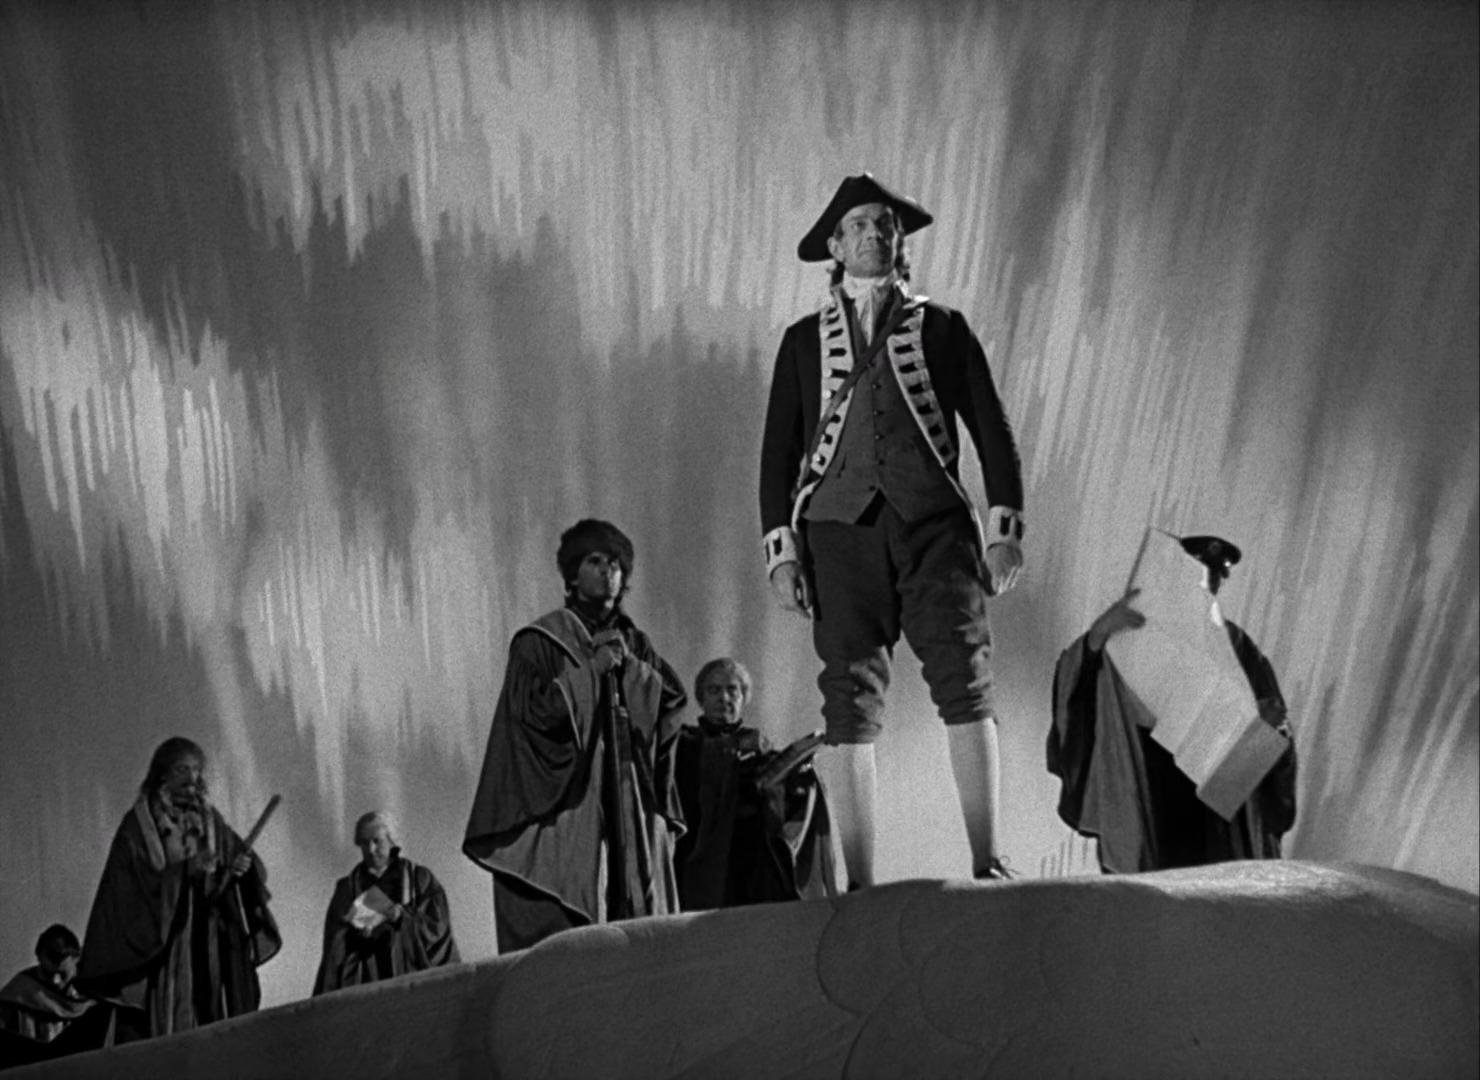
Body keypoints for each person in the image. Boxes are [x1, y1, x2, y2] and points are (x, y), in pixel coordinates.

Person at [758, 173, 1027, 888]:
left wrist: (1004, 528)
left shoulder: (943, 328)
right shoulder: (801, 342)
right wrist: (782, 553)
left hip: (934, 527)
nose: (875, 235)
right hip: (837, 533)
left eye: (885, 224)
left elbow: (991, 430)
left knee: (966, 679)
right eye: (860, 225)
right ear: (836, 247)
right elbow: (778, 454)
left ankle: (988, 856)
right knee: (848, 698)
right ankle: (862, 883)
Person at [464, 519, 688, 952]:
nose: (608, 571)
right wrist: (591, 672)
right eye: (595, 561)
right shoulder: (540, 640)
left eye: (616, 564)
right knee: (563, 932)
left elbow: (670, 705)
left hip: (626, 785)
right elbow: (529, 716)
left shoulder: (637, 642)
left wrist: (633, 673)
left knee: (641, 907)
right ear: (571, 575)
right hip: (570, 793)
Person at [1046, 535, 1298, 872]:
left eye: (1214, 582)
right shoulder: (1131, 634)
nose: (1206, 591)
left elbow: (1273, 728)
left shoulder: (1237, 647)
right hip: (1149, 792)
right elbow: (1080, 700)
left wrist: (1268, 730)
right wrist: (1097, 637)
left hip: (1219, 815)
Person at [75, 737, 280, 1042]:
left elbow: (233, 860)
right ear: (163, 774)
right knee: (172, 1017)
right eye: (183, 769)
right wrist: (184, 871)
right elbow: (129, 887)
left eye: (197, 770)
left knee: (213, 1012)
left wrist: (239, 869)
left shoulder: (211, 820)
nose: (192, 779)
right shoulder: (140, 825)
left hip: (209, 937)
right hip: (167, 942)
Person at [673, 658, 839, 909]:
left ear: (743, 698)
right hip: (697, 853)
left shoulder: (758, 744)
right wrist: (728, 755)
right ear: (701, 698)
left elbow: (780, 797)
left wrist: (799, 774)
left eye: (732, 690)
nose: (724, 698)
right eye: (714, 690)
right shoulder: (684, 743)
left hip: (748, 859)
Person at [312, 811, 461, 995]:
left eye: (377, 841)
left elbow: (438, 929)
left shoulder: (420, 879)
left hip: (412, 982)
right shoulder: (347, 889)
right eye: (364, 843)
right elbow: (333, 948)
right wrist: (355, 934)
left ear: (392, 841)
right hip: (365, 985)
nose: (370, 849)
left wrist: (401, 917)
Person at [0, 925, 106, 1068]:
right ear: (38, 958)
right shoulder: (16, 995)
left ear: (77, 958)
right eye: (48, 974)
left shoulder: (95, 995)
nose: (55, 982)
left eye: (62, 974)